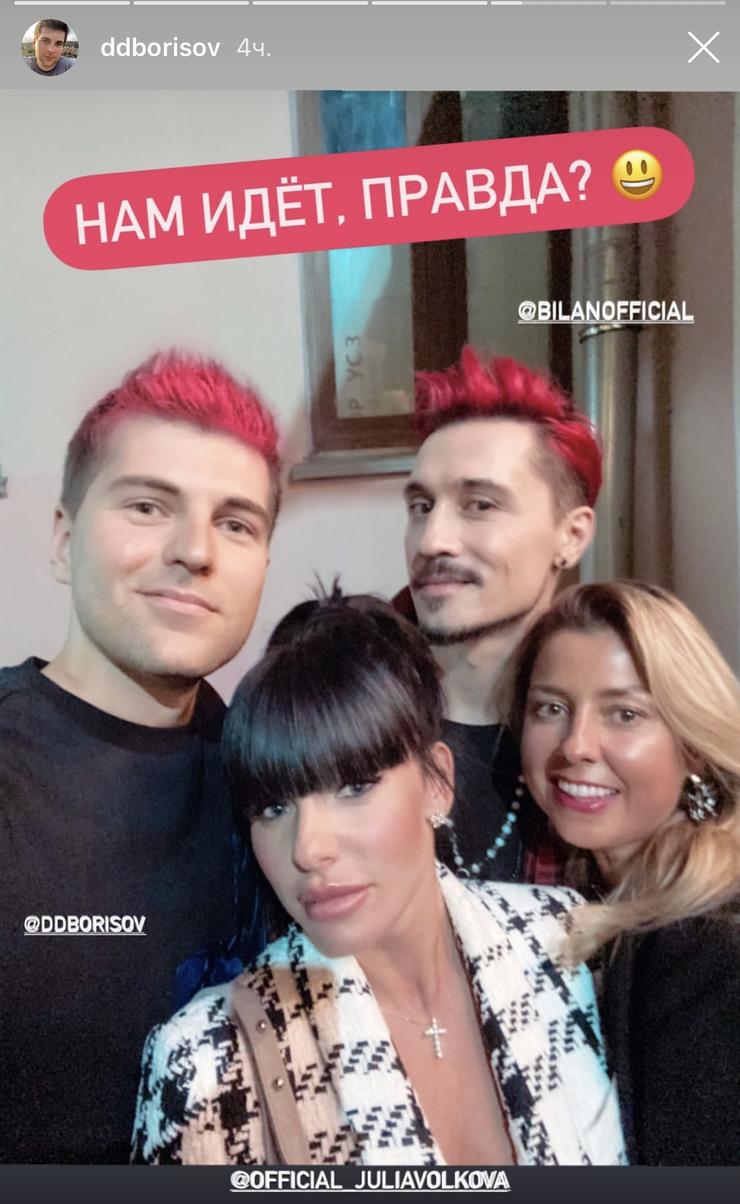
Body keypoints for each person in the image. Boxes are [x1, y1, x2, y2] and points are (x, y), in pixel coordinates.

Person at [133, 590, 624, 1166]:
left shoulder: (565, 942)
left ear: (437, 782)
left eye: (354, 787)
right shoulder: (205, 1061)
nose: (309, 849)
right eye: (273, 807)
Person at [0, 351, 280, 1163]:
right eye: (149, 506)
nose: (196, 550)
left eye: (236, 522)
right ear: (63, 541)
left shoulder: (275, 777)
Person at [505, 581, 740, 1165]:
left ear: (691, 743)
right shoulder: (602, 897)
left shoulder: (708, 944)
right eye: (551, 708)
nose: (576, 746)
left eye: (625, 714)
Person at [399, 347, 601, 883]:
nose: (432, 540)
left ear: (571, 536)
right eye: (421, 507)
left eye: (480, 505)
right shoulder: (347, 706)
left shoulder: (609, 740)